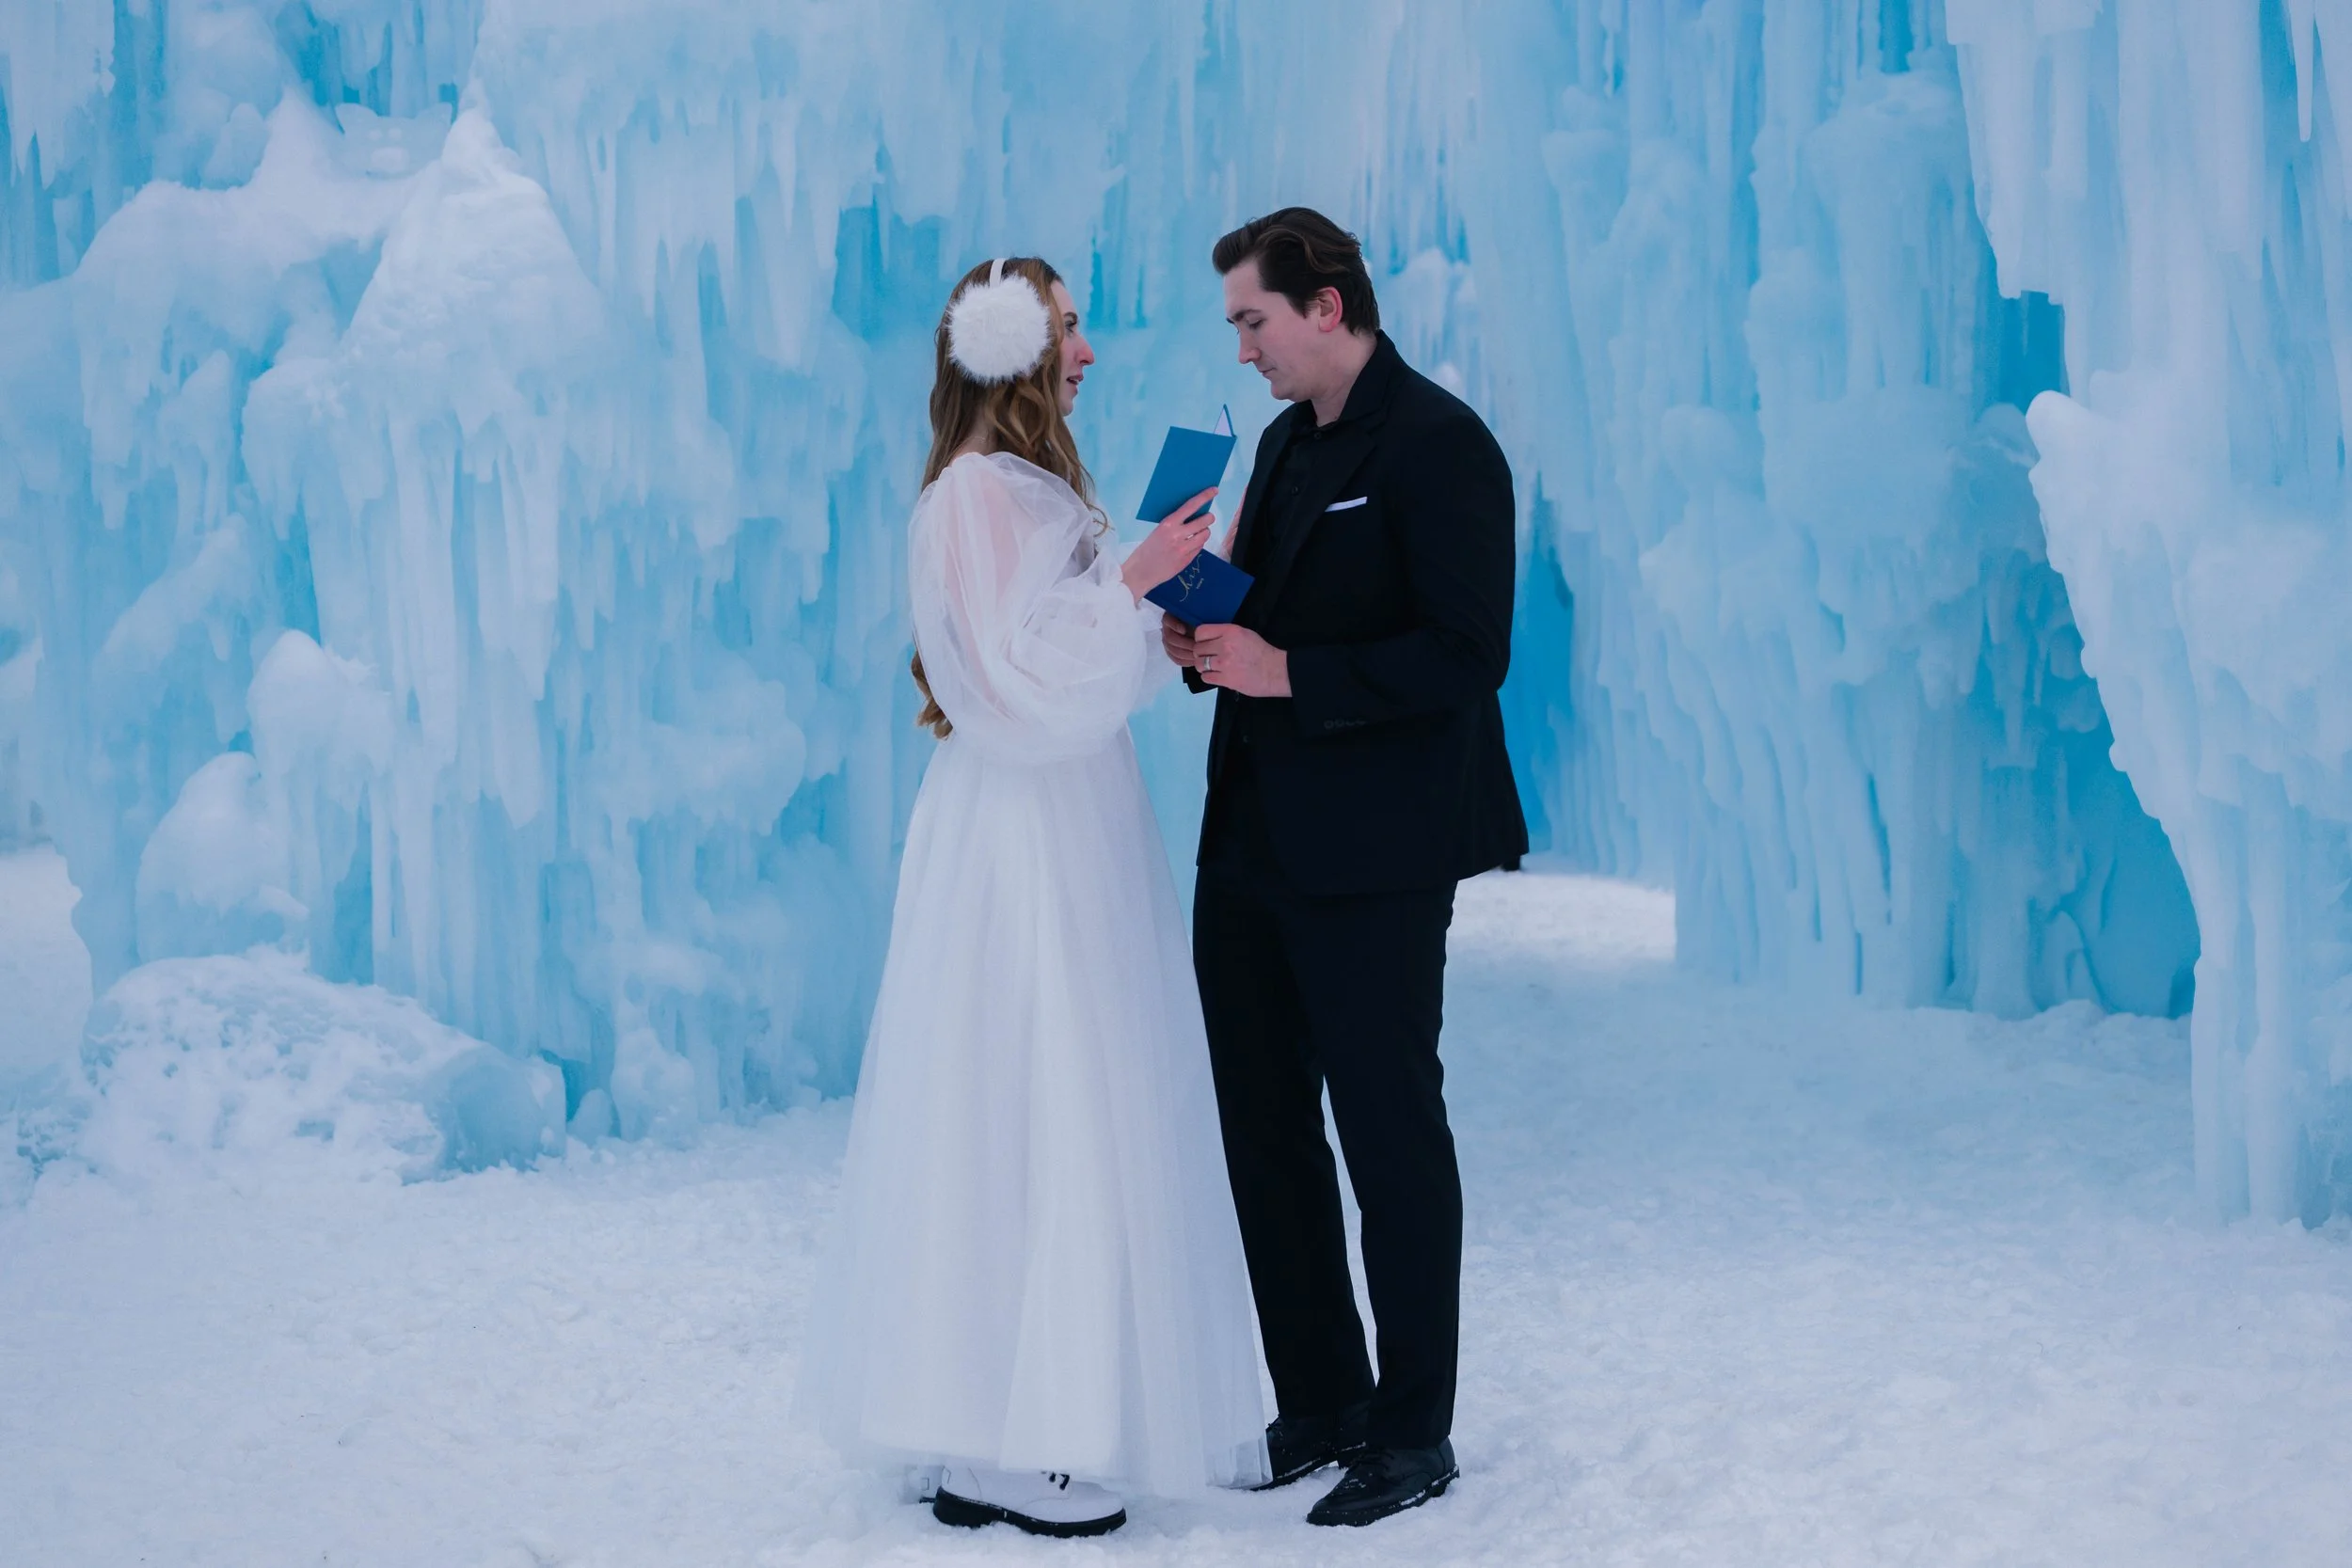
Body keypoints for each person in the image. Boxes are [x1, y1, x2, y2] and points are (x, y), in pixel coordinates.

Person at [796, 258, 1270, 1537]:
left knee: (1062, 1083)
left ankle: (1022, 1412)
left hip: (1067, 817)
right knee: (1028, 1086)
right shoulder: (968, 496)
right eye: (1069, 331)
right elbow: (1011, 681)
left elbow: (1056, 648)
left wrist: (1149, 587)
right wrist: (1126, 581)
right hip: (1021, 833)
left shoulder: (1025, 486)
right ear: (1013, 350)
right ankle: (1007, 1431)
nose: (1089, 354)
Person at [1164, 209, 1528, 1528]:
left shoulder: (1440, 445)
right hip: (1252, 836)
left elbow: (1467, 652)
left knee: (1387, 1127)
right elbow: (1263, 605)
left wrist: (1290, 672)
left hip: (1375, 852)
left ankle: (1413, 1427)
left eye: (1254, 320)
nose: (1244, 347)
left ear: (1326, 306)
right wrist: (1200, 628)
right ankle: (1321, 1393)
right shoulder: (1277, 444)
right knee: (1264, 1128)